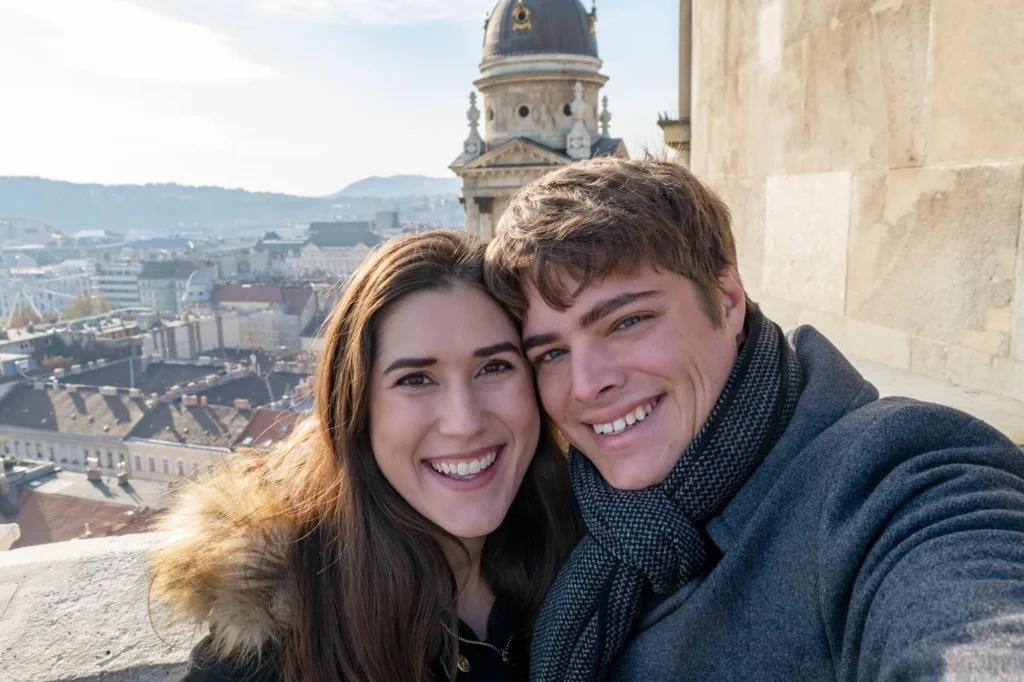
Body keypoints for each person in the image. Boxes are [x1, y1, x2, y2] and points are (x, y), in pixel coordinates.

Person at [483, 157, 1024, 682]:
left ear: (727, 301)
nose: (586, 384)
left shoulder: (893, 468)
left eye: (628, 322)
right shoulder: (563, 511)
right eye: (550, 353)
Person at [149, 230, 581, 682]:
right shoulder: (277, 640)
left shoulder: (593, 548)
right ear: (356, 408)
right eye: (415, 379)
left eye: (494, 367)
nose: (465, 421)